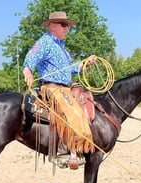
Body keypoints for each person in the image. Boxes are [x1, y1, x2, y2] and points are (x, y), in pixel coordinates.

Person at [23, 11, 97, 169]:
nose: (67, 29)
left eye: (67, 26)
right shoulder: (44, 42)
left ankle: (76, 147)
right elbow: (31, 55)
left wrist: (86, 63)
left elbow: (73, 68)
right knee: (71, 112)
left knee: (79, 109)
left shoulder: (63, 48)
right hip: (51, 87)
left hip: (65, 88)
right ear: (52, 26)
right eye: (64, 25)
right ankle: (64, 151)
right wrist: (27, 69)